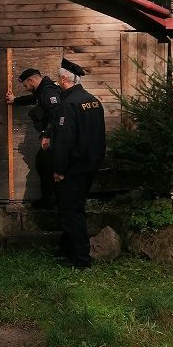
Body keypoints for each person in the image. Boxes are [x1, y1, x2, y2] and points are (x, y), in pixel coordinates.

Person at [51, 58, 106, 268]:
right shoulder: (93, 101)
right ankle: (68, 251)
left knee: (70, 212)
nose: (58, 83)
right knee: (76, 207)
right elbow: (99, 135)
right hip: (89, 166)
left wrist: (59, 169)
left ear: (64, 79)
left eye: (58, 79)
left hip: (72, 169)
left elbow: (64, 141)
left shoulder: (69, 104)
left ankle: (81, 259)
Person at [6, 67, 61, 208]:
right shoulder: (42, 91)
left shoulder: (48, 91)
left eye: (26, 85)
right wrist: (15, 100)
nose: (26, 88)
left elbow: (56, 114)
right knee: (42, 164)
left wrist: (47, 135)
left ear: (31, 80)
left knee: (48, 167)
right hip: (51, 136)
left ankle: (52, 202)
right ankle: (48, 200)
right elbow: (32, 99)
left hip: (55, 138)